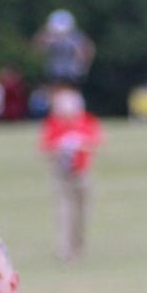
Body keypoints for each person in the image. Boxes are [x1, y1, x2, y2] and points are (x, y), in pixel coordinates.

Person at [41, 87, 103, 265]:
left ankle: (79, 246)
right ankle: (65, 249)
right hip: (61, 174)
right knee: (64, 211)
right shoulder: (53, 124)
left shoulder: (87, 121)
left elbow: (96, 143)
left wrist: (80, 146)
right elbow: (46, 148)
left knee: (81, 213)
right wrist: (60, 149)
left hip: (82, 172)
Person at [34, 10, 95, 97]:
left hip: (70, 75)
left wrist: (82, 68)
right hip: (53, 74)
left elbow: (87, 50)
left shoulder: (76, 37)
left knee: (69, 97)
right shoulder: (48, 36)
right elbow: (37, 49)